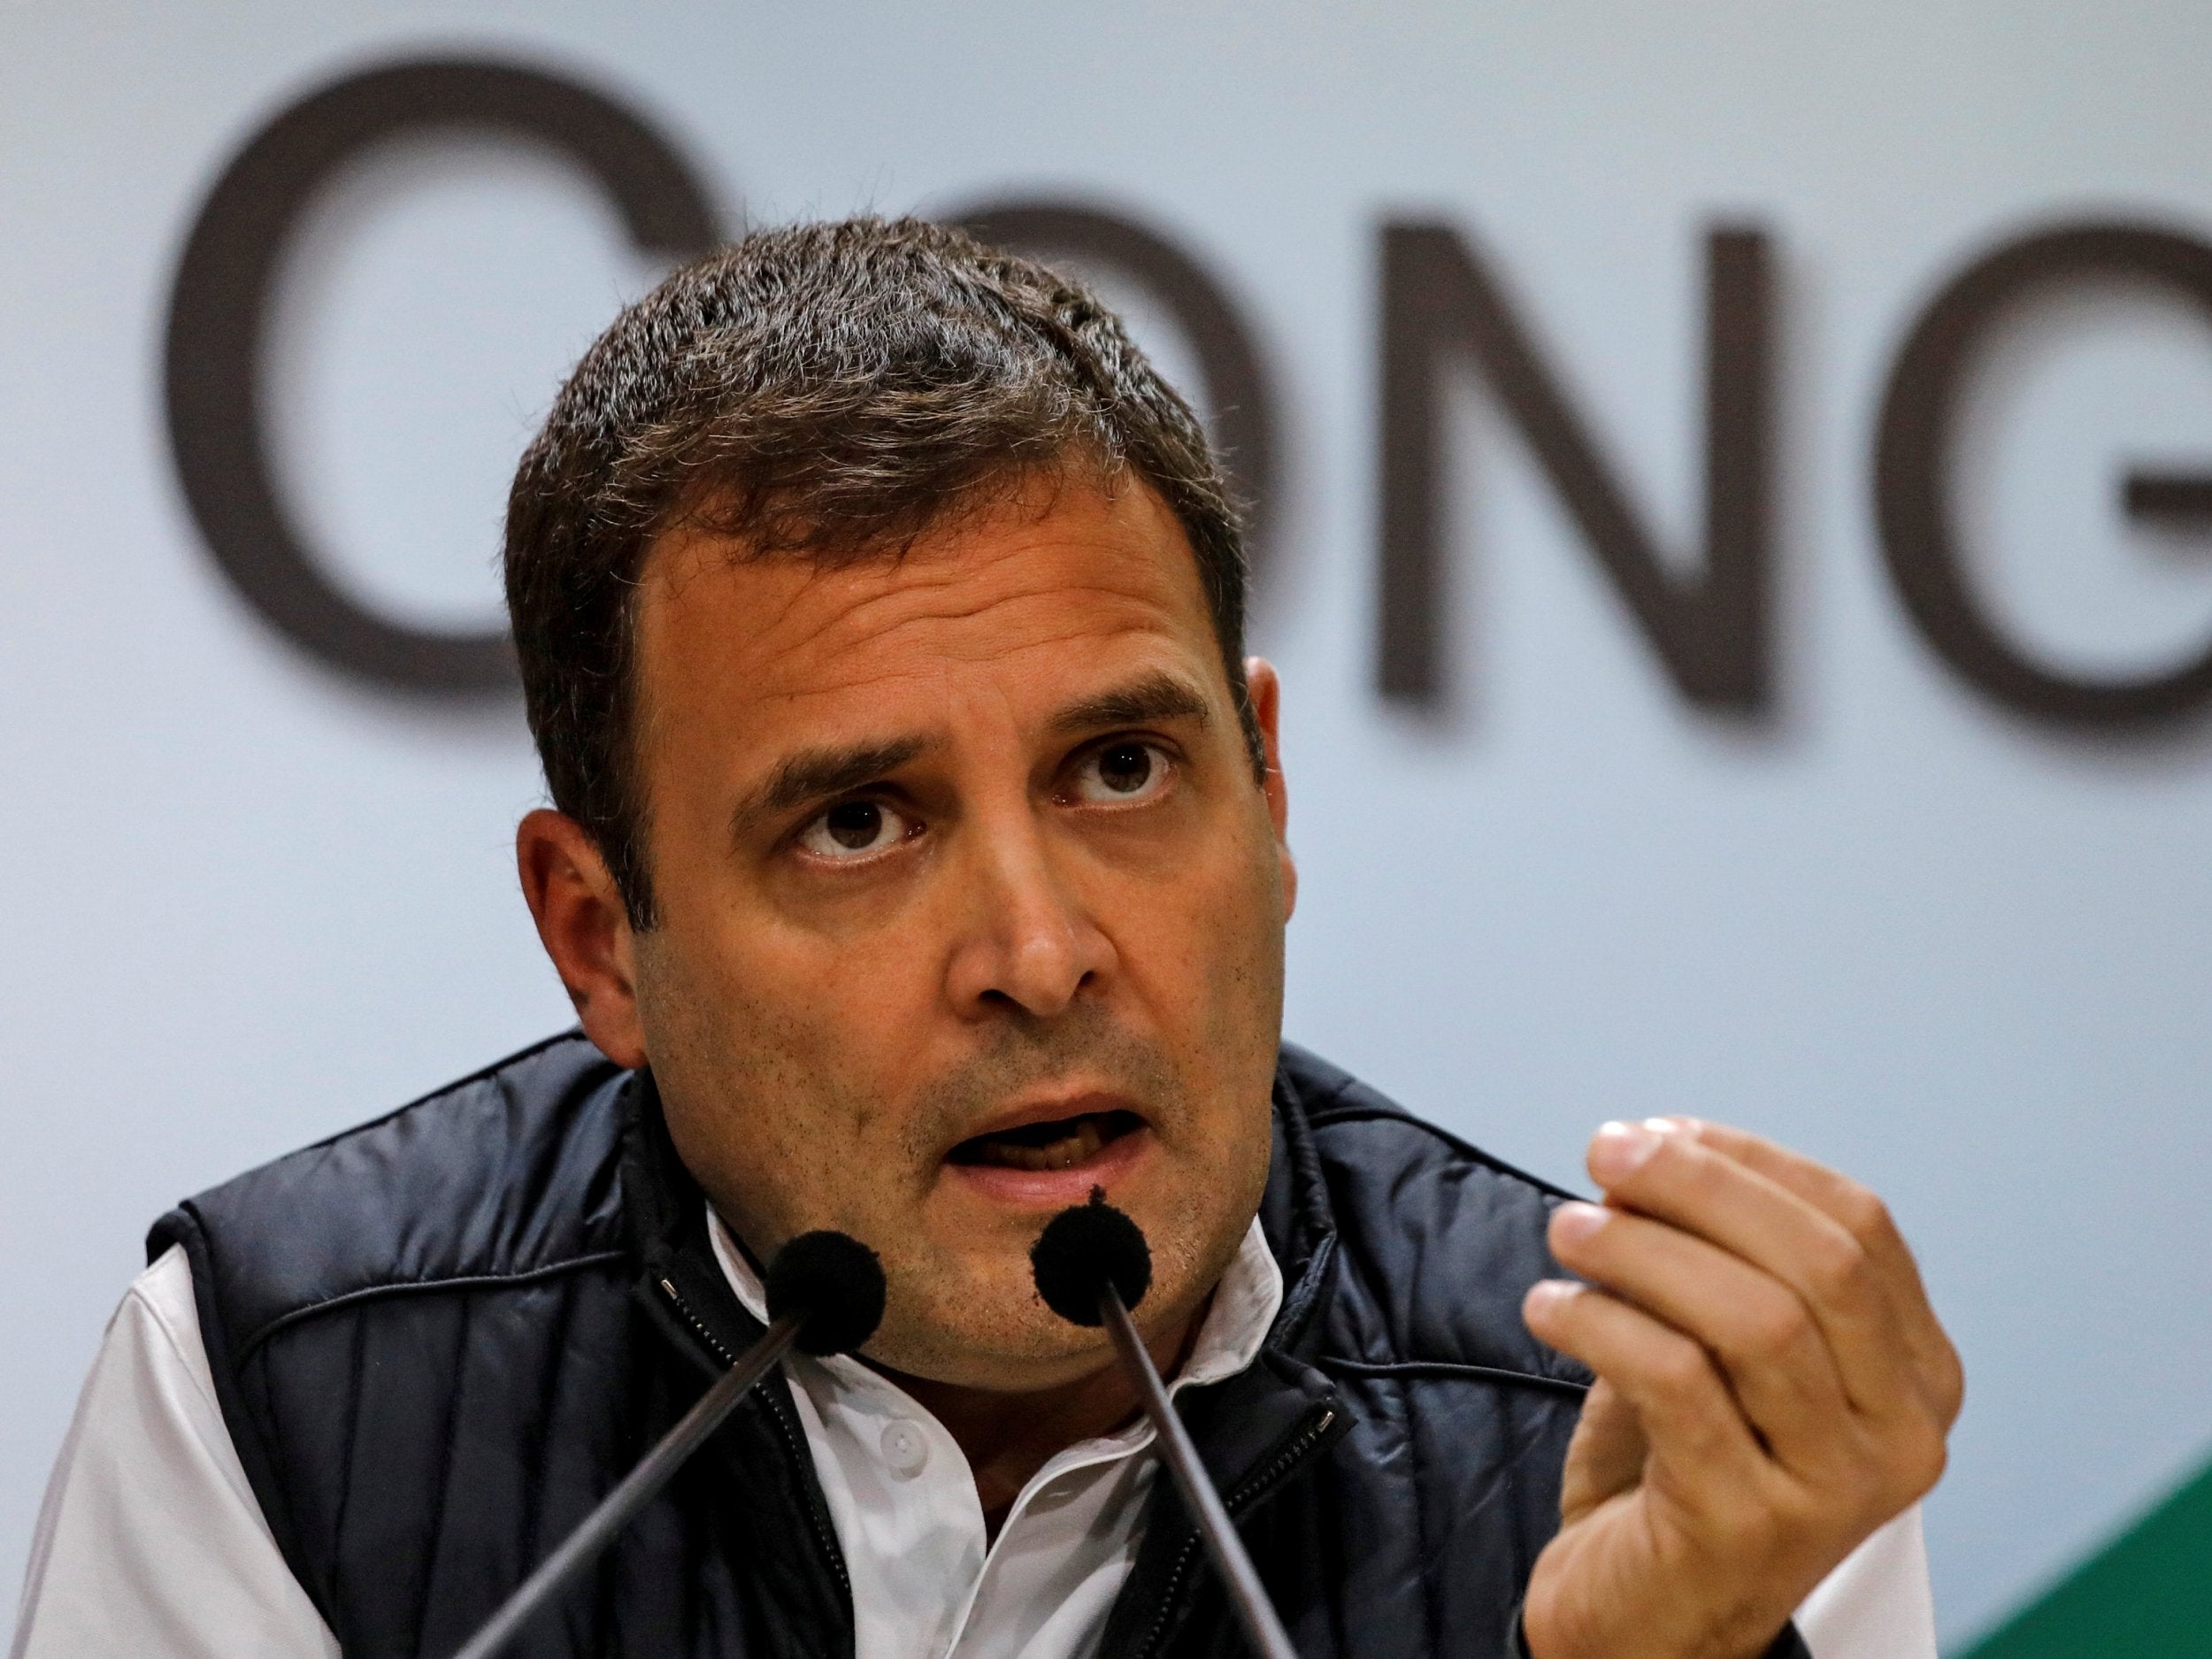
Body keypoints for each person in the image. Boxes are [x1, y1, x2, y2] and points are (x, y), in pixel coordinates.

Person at [13, 218, 1960, 1659]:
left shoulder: (1651, 1447)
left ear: (1266, 797)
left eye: (1120, 768)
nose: (1037, 951)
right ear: (599, 935)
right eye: (856, 822)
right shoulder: (288, 1385)